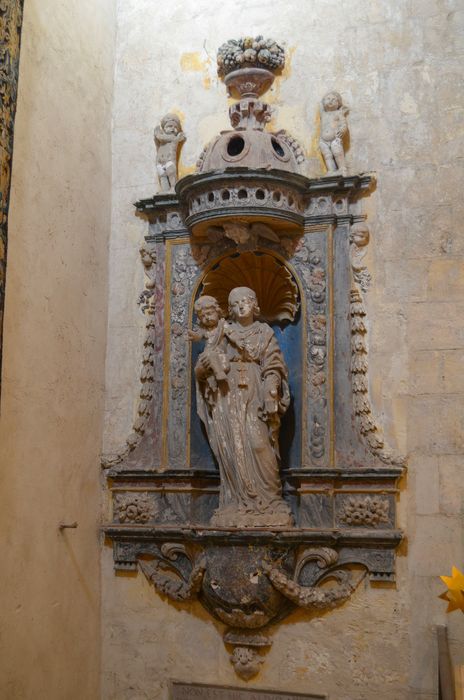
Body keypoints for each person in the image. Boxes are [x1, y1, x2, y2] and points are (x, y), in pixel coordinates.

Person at [194, 286, 293, 528]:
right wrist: (207, 368)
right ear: (229, 308)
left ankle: (269, 500)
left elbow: (274, 366)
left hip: (255, 393)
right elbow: (202, 365)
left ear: (255, 304)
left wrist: (271, 391)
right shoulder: (221, 332)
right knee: (232, 446)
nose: (241, 306)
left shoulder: (264, 332)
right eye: (235, 302)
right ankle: (235, 503)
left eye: (246, 301)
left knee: (259, 443)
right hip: (226, 397)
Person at [188, 296, 229, 403]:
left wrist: (238, 340)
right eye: (202, 316)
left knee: (213, 357)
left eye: (210, 313)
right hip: (207, 355)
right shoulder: (205, 329)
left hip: (220, 354)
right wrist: (196, 337)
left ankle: (219, 374)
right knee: (203, 365)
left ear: (218, 311)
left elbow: (233, 334)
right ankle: (212, 382)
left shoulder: (223, 325)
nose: (207, 318)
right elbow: (199, 335)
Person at [319, 90, 348, 176]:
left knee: (337, 152)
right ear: (324, 102)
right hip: (323, 140)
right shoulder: (323, 113)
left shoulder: (338, 113)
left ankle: (342, 169)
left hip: (335, 138)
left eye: (334, 99)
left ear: (338, 103)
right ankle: (331, 170)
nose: (330, 101)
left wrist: (342, 130)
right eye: (328, 99)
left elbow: (343, 124)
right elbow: (320, 106)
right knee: (327, 155)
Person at [154, 113, 186, 191]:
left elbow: (160, 137)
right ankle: (165, 191)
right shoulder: (164, 138)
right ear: (164, 128)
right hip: (160, 161)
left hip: (169, 159)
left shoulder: (172, 138)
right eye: (170, 126)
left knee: (171, 172)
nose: (173, 128)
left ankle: (173, 188)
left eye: (175, 127)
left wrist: (157, 131)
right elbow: (158, 139)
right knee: (162, 175)